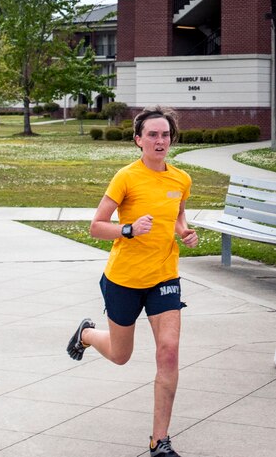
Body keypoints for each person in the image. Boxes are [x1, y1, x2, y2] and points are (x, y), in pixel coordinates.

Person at [67, 106, 198, 457]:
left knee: (168, 353)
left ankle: (160, 441)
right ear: (138, 140)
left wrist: (184, 232)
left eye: (165, 134)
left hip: (164, 277)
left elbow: (177, 217)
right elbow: (96, 226)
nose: (159, 140)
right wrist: (127, 229)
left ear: (172, 139)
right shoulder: (126, 177)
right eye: (152, 135)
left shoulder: (181, 179)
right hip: (123, 279)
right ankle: (87, 334)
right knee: (122, 355)